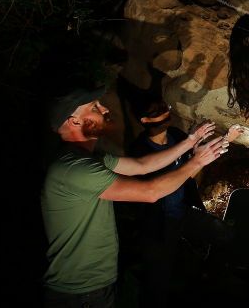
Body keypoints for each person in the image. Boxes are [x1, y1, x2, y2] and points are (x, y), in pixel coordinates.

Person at [41, 88, 228, 308]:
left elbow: (142, 165)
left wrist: (190, 141)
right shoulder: (75, 169)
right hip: (79, 293)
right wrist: (197, 162)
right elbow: (150, 192)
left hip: (93, 286)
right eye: (94, 107)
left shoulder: (90, 159)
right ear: (74, 121)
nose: (105, 109)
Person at [126, 100, 241, 307]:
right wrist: (197, 156)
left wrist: (224, 140)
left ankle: (208, 281)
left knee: (225, 234)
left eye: (165, 108)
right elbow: (160, 187)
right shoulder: (139, 152)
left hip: (183, 211)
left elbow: (194, 165)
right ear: (144, 120)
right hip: (157, 222)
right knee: (157, 281)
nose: (165, 113)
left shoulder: (176, 136)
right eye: (157, 111)